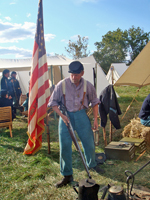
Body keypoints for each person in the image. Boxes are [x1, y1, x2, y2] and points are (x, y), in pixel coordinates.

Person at [48, 61, 104, 188]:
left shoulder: (88, 86)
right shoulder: (61, 85)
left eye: (76, 75)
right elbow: (53, 103)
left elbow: (95, 102)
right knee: (65, 146)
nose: (73, 77)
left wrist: (95, 119)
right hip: (65, 116)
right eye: (72, 74)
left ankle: (92, 165)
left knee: (88, 142)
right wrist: (62, 116)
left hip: (81, 115)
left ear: (82, 73)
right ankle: (67, 174)